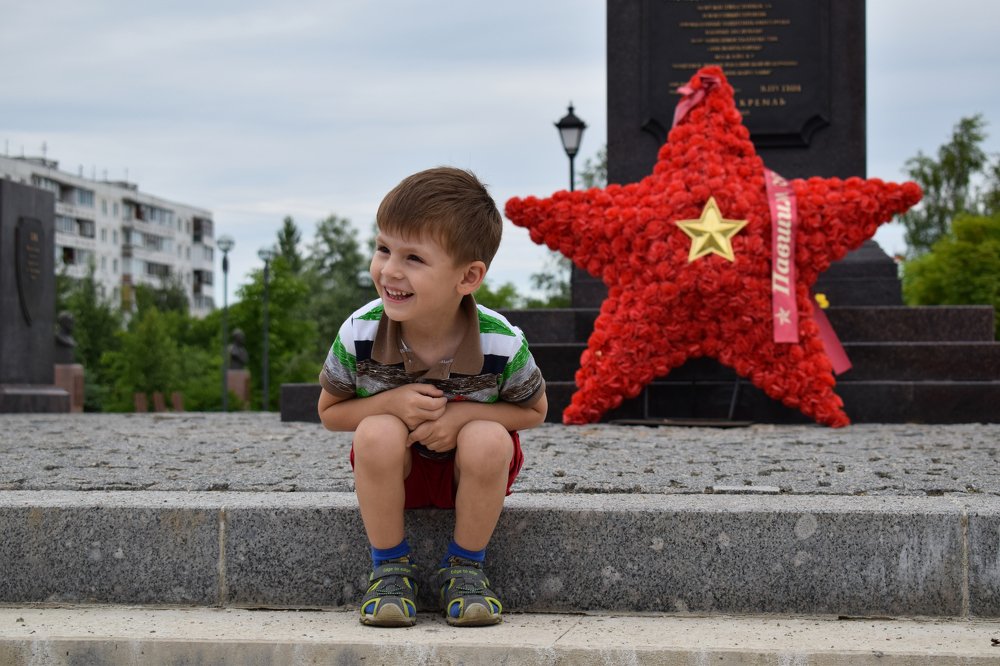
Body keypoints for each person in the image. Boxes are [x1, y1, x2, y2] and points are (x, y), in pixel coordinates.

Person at [317, 167, 547, 627]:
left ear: (468, 276)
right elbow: (330, 412)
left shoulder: (500, 340)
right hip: (398, 471)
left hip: (471, 472)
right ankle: (389, 570)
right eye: (384, 248)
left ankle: (465, 568)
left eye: (414, 258)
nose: (389, 270)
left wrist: (462, 418)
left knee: (488, 437)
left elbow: (534, 410)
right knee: (375, 431)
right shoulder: (360, 331)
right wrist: (390, 403)